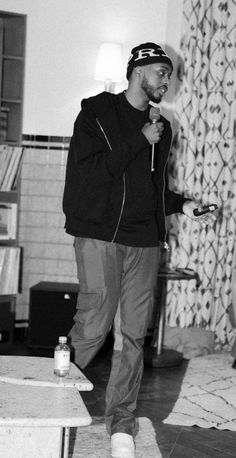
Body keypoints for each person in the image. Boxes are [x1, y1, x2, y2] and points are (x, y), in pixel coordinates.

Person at [62, 42, 215, 458]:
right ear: (138, 71)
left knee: (132, 336)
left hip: (144, 241)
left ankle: (122, 425)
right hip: (100, 236)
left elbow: (151, 190)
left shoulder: (161, 125)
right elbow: (89, 175)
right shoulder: (97, 113)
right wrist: (137, 139)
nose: (168, 81)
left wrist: (182, 205)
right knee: (93, 326)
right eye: (162, 72)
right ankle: (53, 399)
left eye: (169, 74)